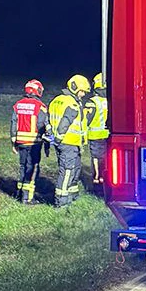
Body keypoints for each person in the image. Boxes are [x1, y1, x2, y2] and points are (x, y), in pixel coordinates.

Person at [47, 75, 90, 208]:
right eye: (82, 91)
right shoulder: (72, 104)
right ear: (74, 88)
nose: (83, 94)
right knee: (67, 171)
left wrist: (53, 138)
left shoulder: (56, 100)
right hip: (68, 142)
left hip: (64, 142)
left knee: (74, 168)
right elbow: (65, 122)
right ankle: (61, 200)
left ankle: (72, 195)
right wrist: (59, 137)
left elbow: (48, 120)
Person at [11, 79, 49, 204]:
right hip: (34, 142)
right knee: (32, 168)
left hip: (21, 141)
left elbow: (13, 123)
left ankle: (19, 193)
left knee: (23, 167)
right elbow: (41, 124)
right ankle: (27, 197)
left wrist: (13, 142)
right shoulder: (40, 106)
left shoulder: (18, 105)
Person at [84, 72, 110, 187]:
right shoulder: (111, 100)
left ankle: (97, 180)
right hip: (108, 135)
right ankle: (105, 179)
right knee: (107, 158)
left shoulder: (92, 102)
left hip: (95, 135)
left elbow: (85, 119)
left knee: (96, 159)